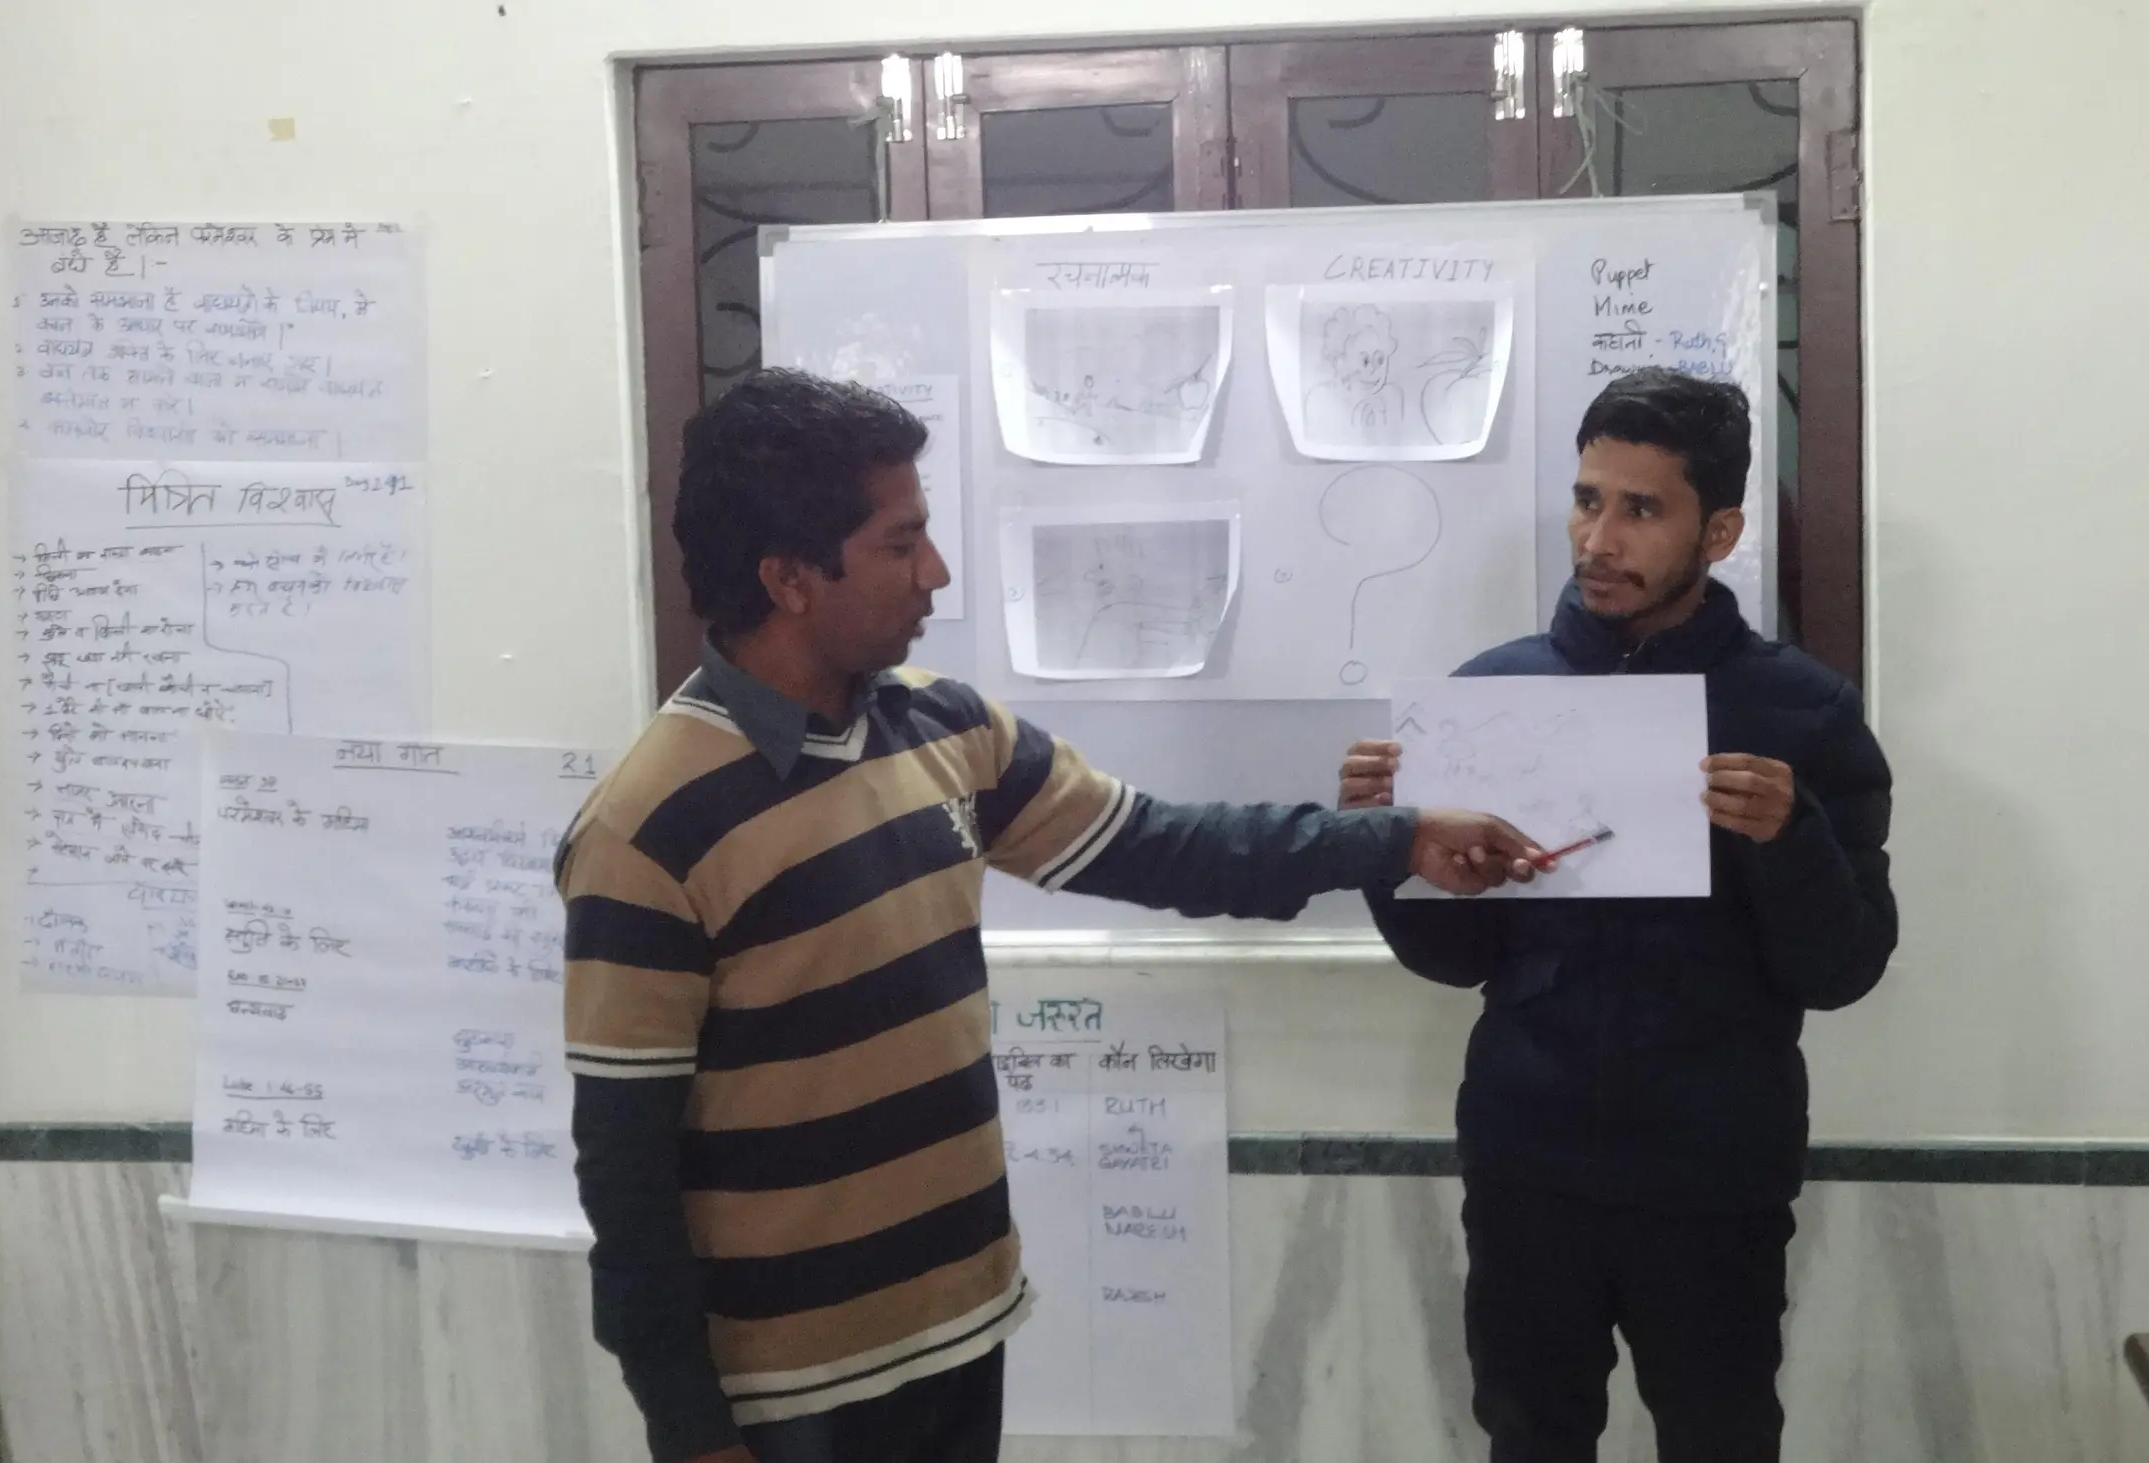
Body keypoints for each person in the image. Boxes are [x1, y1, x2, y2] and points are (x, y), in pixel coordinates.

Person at [561, 367, 1544, 1463]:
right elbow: (625, 1169)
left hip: (958, 1328)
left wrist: (1394, 838)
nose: (935, 572)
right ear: (788, 577)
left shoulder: (944, 729)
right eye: (901, 544)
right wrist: (690, 1429)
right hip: (787, 1391)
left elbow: (1162, 844)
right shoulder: (649, 826)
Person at [1337, 368, 1896, 1463]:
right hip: (1527, 1161)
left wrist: (1789, 837)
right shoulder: (1490, 698)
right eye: (1587, 499)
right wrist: (1383, 845)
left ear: (1718, 531)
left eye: (1641, 509)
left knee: (1722, 1437)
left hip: (1715, 1174)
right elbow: (1454, 958)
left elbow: (1843, 968)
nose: (1598, 539)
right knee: (1528, 1435)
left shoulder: (1805, 714)